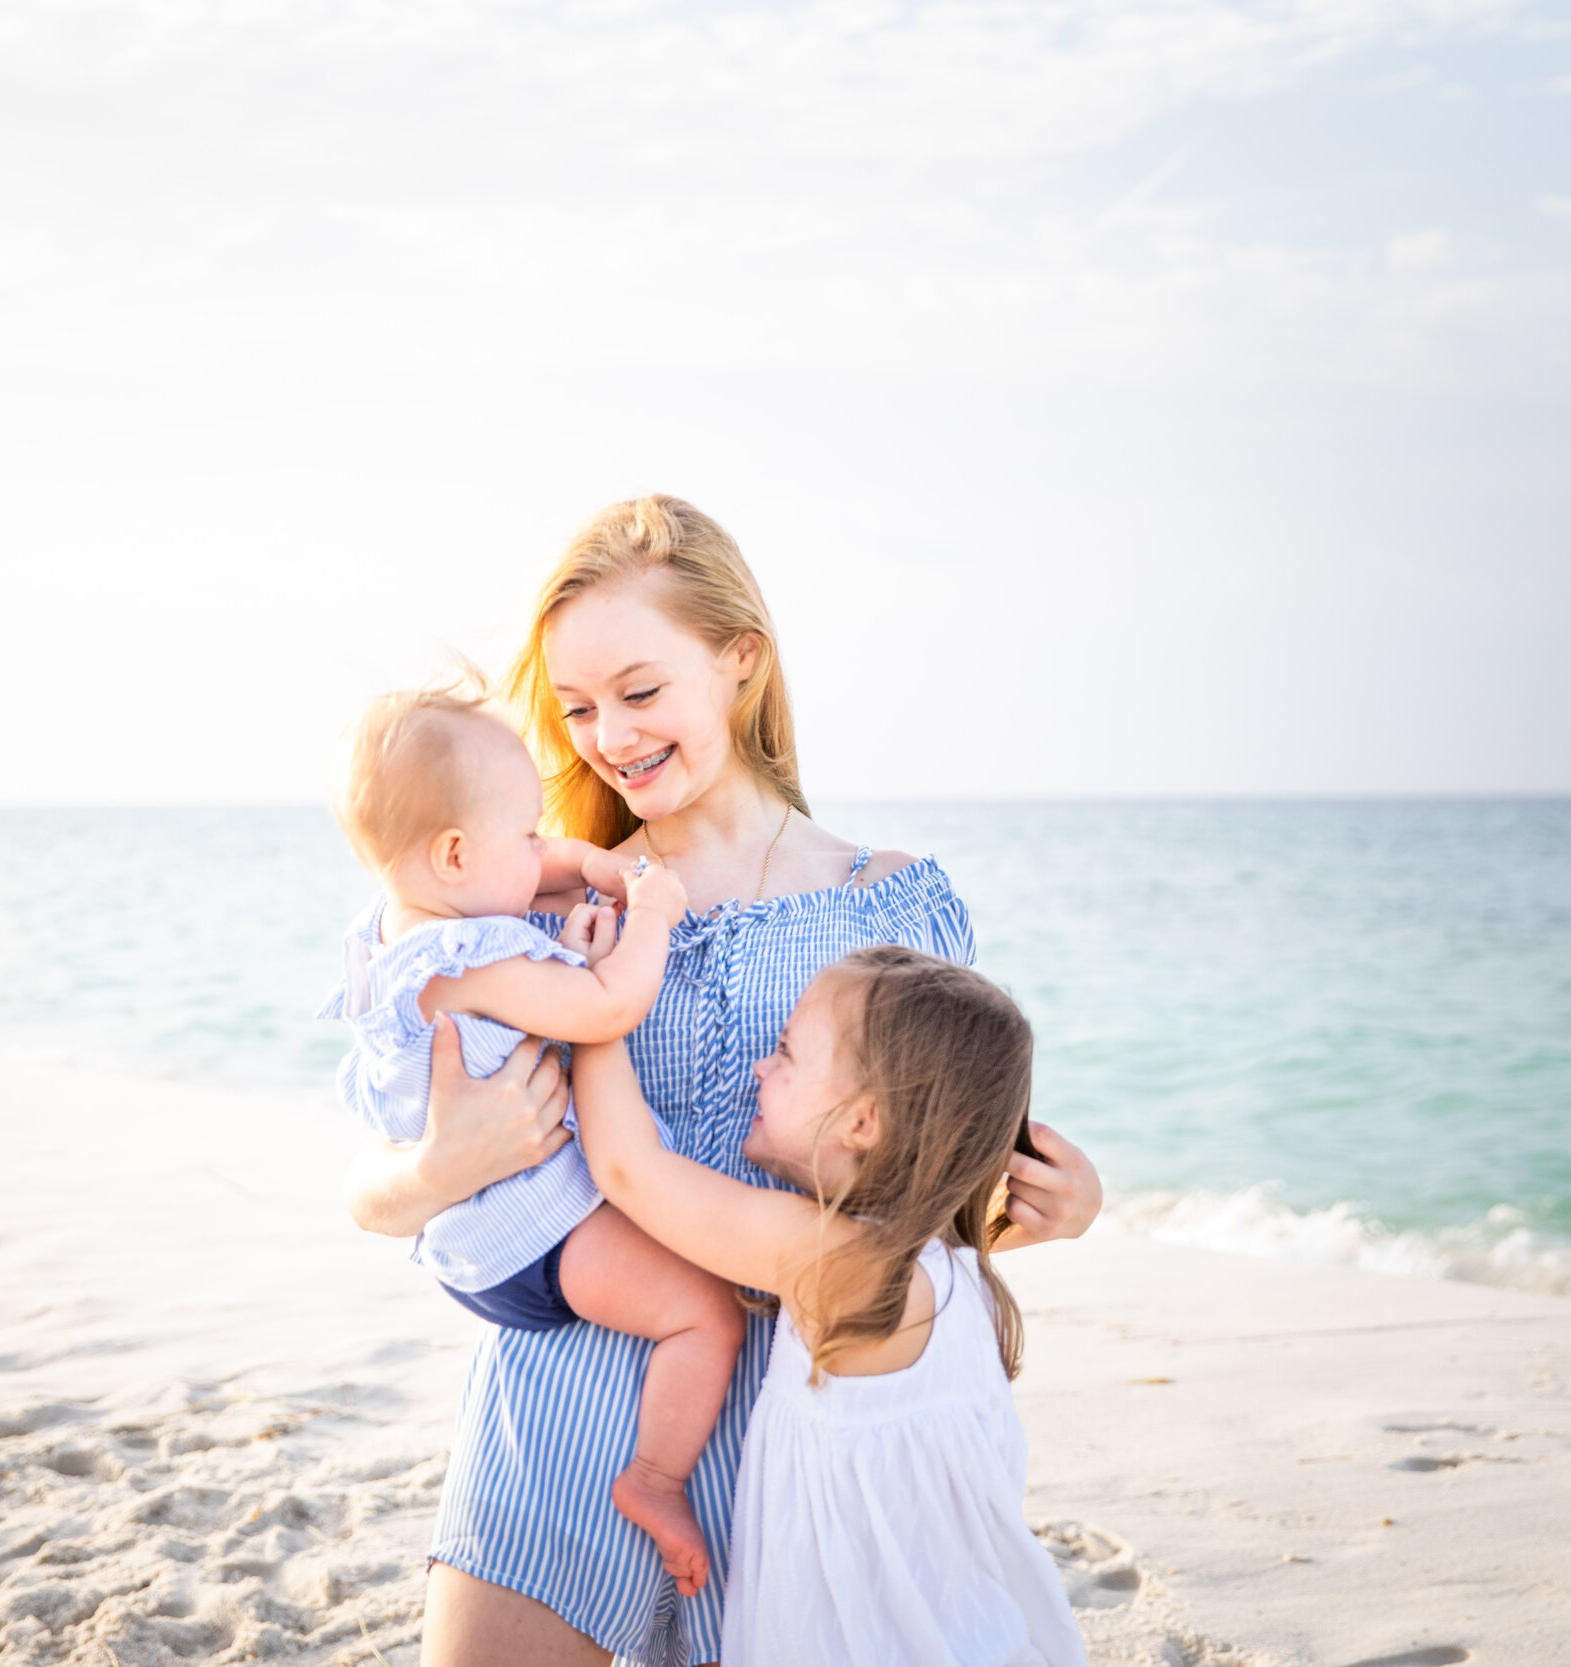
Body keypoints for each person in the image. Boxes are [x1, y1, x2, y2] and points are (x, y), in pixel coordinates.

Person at [341, 495, 1105, 1666]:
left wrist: (1053, 1207)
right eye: (579, 705)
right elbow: (373, 1183)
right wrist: (432, 1171)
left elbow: (918, 1199)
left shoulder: (893, 902)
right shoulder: (516, 896)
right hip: (564, 1393)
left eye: (641, 692)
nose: (607, 736)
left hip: (791, 1431)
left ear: (740, 661)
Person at [319, 685, 746, 1594]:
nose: (546, 852)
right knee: (704, 1314)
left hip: (471, 1240)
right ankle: (657, 1480)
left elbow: (535, 868)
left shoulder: (404, 920)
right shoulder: (468, 962)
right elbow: (606, 1006)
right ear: (456, 853)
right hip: (535, 1234)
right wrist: (655, 916)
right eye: (527, 833)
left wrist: (585, 862)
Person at [575, 945, 1087, 1666]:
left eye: (784, 1050)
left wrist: (597, 1005)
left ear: (863, 1122)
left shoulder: (840, 1267)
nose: (761, 1064)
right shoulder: (953, 1265)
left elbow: (629, 1168)